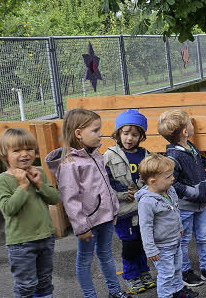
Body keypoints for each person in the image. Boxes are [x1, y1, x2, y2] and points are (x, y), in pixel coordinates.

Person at [44, 109, 128, 298]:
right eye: (95, 130)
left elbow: (106, 186)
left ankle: (115, 291)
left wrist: (114, 210)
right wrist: (82, 227)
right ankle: (90, 295)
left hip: (106, 218)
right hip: (88, 224)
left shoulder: (96, 155)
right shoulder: (69, 164)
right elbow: (70, 199)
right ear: (78, 133)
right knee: (85, 261)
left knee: (106, 255)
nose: (100, 134)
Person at [158, 109, 206, 287]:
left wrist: (205, 185)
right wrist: (191, 191)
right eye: (190, 123)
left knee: (203, 236)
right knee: (183, 240)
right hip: (185, 206)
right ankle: (185, 271)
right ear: (185, 131)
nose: (193, 125)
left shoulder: (191, 148)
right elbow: (172, 182)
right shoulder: (173, 156)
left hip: (200, 205)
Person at [0, 129, 61, 298]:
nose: (25, 154)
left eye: (29, 149)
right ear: (5, 156)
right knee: (26, 285)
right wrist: (23, 186)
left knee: (44, 281)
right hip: (21, 243)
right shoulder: (1, 180)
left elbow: (55, 199)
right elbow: (9, 208)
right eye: (17, 150)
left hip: (45, 238)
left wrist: (39, 184)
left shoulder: (38, 172)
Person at [102, 109, 156, 294]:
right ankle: (131, 275)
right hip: (125, 211)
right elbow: (106, 182)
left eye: (135, 134)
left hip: (143, 209)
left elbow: (151, 178)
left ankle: (143, 271)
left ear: (141, 136)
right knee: (130, 245)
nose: (129, 138)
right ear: (118, 133)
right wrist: (122, 194)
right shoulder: (109, 155)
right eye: (125, 133)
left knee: (142, 241)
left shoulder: (145, 154)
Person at [136, 154, 199, 298]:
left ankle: (178, 291)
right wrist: (150, 250)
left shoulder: (170, 191)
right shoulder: (146, 202)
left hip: (175, 241)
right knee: (166, 274)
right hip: (162, 247)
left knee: (177, 269)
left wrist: (180, 228)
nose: (173, 179)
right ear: (153, 181)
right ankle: (166, 295)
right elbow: (145, 227)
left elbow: (176, 211)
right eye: (168, 177)